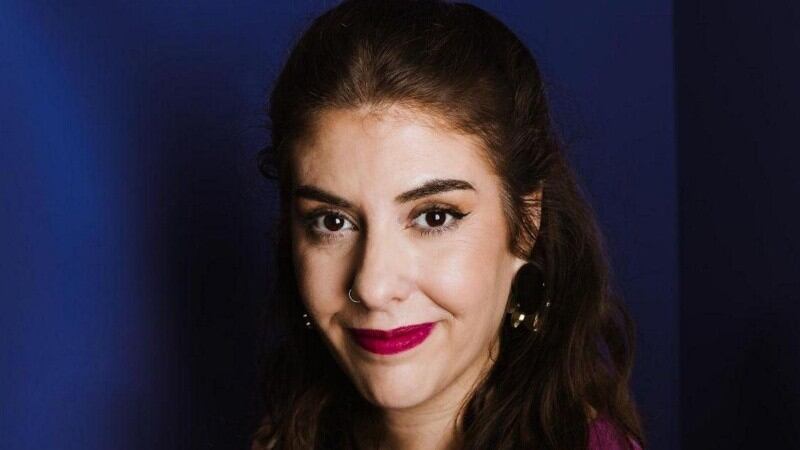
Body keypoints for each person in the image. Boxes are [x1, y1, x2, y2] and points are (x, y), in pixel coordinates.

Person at [252, 0, 644, 448]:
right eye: (332, 221)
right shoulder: (288, 437)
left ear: (525, 222)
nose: (374, 287)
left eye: (433, 217)